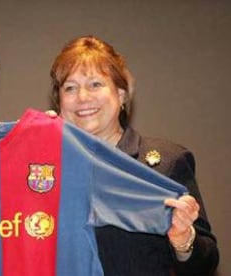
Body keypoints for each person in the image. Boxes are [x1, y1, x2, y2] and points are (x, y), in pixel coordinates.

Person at [49, 35, 219, 275]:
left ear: (121, 95)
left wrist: (183, 239)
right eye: (70, 88)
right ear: (59, 103)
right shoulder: (44, 170)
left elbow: (205, 263)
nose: (83, 97)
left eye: (95, 84)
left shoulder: (167, 163)